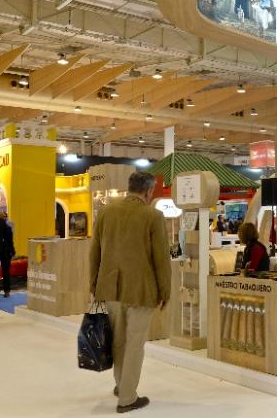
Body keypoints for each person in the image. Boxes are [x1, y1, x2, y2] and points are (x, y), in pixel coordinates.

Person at [89, 171, 171, 414]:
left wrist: (94, 284)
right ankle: (127, 398)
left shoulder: (106, 212)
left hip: (110, 288)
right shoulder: (153, 216)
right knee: (134, 344)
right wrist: (165, 291)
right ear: (148, 191)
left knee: (117, 342)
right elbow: (161, 258)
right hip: (141, 290)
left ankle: (121, 385)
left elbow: (95, 252)